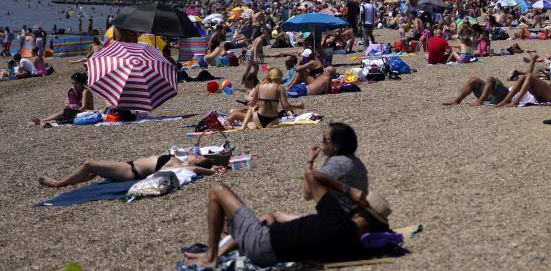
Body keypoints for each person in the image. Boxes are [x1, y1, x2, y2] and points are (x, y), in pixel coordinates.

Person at [183, 156, 391, 269]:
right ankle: (224, 242)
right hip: (274, 254)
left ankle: (211, 255)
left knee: (217, 190)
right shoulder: (353, 247)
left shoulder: (337, 219)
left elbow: (312, 177)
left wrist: (349, 190)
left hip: (261, 242)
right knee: (269, 219)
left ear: (359, 210)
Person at [38, 152, 226, 188]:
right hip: (129, 165)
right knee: (94, 171)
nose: (196, 154)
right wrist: (221, 159)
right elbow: (198, 158)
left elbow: (194, 167)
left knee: (89, 164)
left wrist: (211, 171)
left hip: (130, 172)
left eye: (199, 156)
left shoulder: (183, 165)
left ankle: (58, 183)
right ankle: (65, 182)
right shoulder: (180, 157)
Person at [303, 123, 368, 212]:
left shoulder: (337, 164)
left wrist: (310, 160)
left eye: (324, 139)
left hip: (341, 219)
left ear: (336, 146)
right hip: (357, 214)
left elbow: (308, 193)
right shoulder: (355, 161)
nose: (321, 142)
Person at [443, 76, 510, 106]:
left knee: (491, 78)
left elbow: (521, 79)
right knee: (474, 80)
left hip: (506, 95)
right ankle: (456, 101)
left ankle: (480, 101)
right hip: (490, 95)